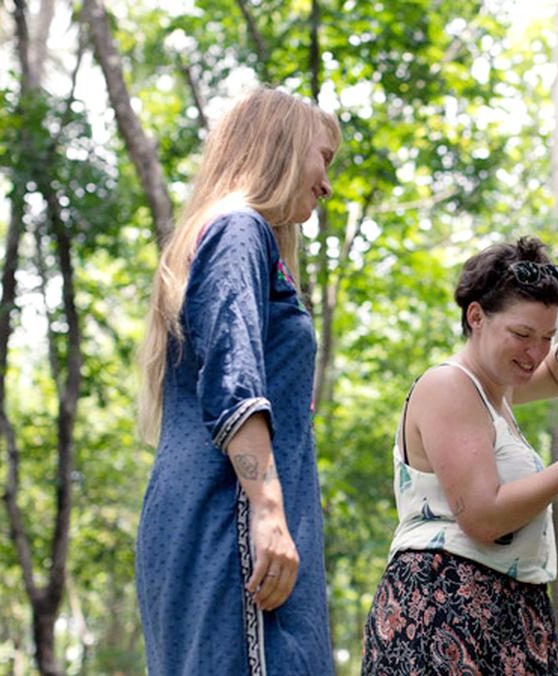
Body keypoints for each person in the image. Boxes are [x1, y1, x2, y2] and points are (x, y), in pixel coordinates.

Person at [135, 88, 341, 675]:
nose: (326, 184)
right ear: (281, 147)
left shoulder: (240, 237)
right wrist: (269, 511)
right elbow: (234, 380)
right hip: (230, 518)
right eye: (322, 157)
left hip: (222, 514)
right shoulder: (239, 229)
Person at [362, 236, 558, 674]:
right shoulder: (449, 387)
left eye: (546, 336)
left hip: (511, 607)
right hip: (444, 607)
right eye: (522, 335)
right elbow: (483, 517)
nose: (534, 352)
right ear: (476, 317)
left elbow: (549, 373)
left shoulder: (497, 390)